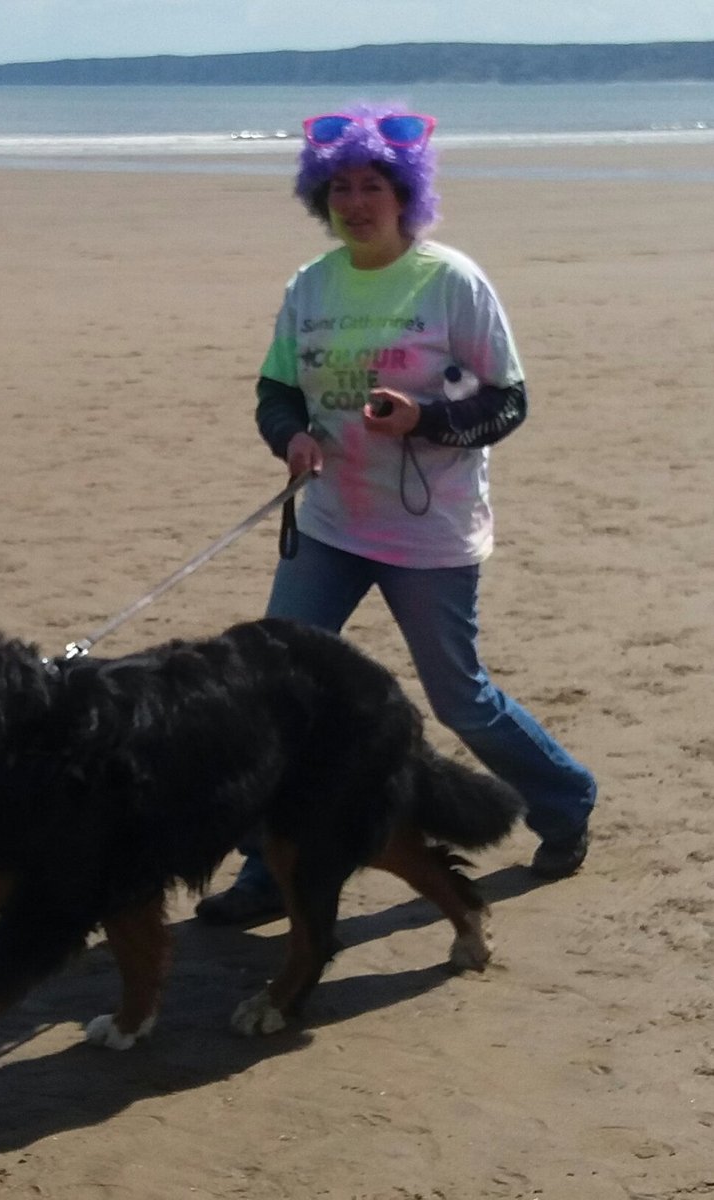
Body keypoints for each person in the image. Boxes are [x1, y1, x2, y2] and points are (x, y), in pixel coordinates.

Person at [196, 104, 595, 926]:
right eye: (338, 186)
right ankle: (267, 873)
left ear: (402, 193)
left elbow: (508, 402)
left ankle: (563, 802)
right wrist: (292, 437)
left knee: (458, 699)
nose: (354, 201)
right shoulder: (309, 285)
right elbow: (275, 389)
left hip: (429, 533)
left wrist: (425, 422)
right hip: (331, 525)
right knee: (274, 695)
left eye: (370, 184)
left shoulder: (450, 280)